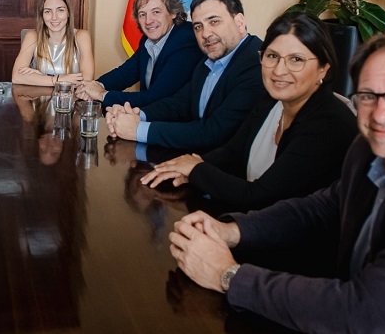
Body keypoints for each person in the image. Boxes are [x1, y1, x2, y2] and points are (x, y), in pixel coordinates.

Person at [168, 35, 385, 332]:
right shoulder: (372, 146)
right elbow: (323, 208)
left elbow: (364, 312)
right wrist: (231, 230)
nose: (381, 113)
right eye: (368, 96)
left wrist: (228, 275)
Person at [141, 13, 357, 211]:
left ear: (323, 68)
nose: (279, 70)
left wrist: (196, 169)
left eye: (296, 59)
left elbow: (260, 196)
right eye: (272, 56)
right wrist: (190, 165)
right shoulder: (271, 100)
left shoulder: (329, 124)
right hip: (253, 223)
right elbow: (232, 152)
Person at [105, 0, 265, 152]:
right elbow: (179, 104)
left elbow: (213, 132)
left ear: (239, 22)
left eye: (214, 22)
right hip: (195, 157)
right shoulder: (210, 59)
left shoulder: (257, 63)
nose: (205, 34)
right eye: (198, 26)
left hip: (223, 163)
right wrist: (137, 114)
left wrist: (138, 130)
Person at [76, 0, 203, 107]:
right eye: (142, 14)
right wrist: (94, 86)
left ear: (173, 13)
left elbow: (156, 97)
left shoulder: (185, 41)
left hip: (175, 120)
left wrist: (102, 94)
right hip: (151, 116)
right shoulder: (148, 40)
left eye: (156, 12)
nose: (148, 21)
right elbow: (125, 74)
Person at [11, 0, 94, 86]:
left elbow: (86, 79)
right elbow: (16, 77)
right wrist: (59, 79)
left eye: (60, 10)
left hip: (70, 96)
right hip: (38, 95)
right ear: (42, 15)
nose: (54, 17)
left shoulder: (82, 36)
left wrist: (40, 78)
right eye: (48, 11)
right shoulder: (32, 36)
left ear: (68, 13)